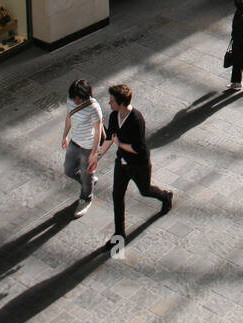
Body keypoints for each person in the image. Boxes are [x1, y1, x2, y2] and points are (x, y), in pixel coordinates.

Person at [97, 84, 173, 243]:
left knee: (145, 191)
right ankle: (119, 235)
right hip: (121, 164)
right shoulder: (114, 116)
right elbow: (110, 137)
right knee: (117, 196)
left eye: (112, 100)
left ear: (122, 103)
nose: (109, 103)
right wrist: (97, 156)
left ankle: (165, 196)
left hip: (139, 164)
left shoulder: (136, 120)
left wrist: (120, 144)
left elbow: (138, 148)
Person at [61, 78, 103, 219]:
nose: (75, 101)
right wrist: (65, 136)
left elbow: (98, 130)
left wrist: (94, 153)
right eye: (74, 97)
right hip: (75, 142)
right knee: (69, 170)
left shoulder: (93, 107)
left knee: (86, 175)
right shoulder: (70, 101)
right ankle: (88, 181)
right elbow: (69, 117)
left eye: (78, 98)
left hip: (88, 146)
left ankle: (86, 198)